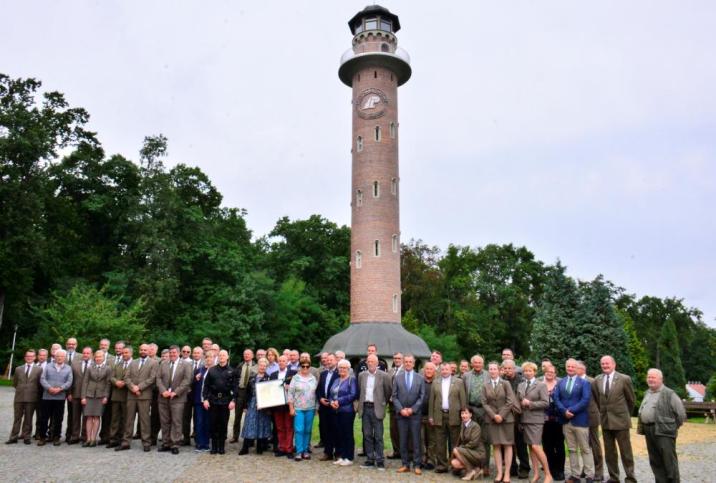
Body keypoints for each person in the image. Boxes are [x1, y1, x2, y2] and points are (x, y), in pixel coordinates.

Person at [637, 368, 686, 483]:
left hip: (664, 432)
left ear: (660, 379)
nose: (650, 379)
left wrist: (671, 426)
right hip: (649, 430)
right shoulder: (647, 392)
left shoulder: (669, 393)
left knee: (669, 461)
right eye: (649, 377)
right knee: (655, 460)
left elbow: (681, 414)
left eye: (653, 377)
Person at [593, 355, 636, 483]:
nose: (605, 366)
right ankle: (613, 477)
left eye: (607, 363)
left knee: (626, 452)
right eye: (603, 364)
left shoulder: (624, 379)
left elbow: (631, 400)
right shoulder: (597, 380)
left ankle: (630, 478)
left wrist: (624, 415)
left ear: (614, 364)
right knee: (610, 452)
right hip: (605, 421)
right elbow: (597, 399)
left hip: (621, 421)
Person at [554, 359, 594, 483]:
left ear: (577, 368)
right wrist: (564, 411)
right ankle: (575, 475)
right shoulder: (561, 382)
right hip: (566, 421)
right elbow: (556, 398)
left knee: (585, 449)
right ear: (565, 367)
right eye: (568, 366)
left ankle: (589, 475)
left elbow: (585, 399)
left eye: (572, 366)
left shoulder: (584, 383)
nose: (570, 368)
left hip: (580, 420)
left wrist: (571, 410)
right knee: (571, 449)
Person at [117, 343, 158, 452]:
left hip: (144, 395)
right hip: (131, 395)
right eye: (141, 350)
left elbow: (152, 378)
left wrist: (139, 387)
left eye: (145, 350)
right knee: (128, 419)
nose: (143, 351)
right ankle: (126, 442)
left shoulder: (154, 363)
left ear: (149, 351)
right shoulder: (133, 362)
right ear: (139, 351)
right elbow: (127, 377)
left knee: (145, 420)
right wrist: (133, 388)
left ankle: (146, 443)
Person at [516, 362, 552, 483]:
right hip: (524, 420)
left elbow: (546, 403)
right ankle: (536, 474)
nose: (527, 373)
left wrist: (530, 404)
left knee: (536, 446)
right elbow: (518, 401)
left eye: (530, 371)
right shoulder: (520, 385)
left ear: (535, 372)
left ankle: (548, 474)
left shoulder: (541, 385)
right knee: (530, 447)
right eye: (525, 371)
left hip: (536, 420)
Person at [429, 362, 467, 473]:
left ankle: (455, 465)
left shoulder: (459, 382)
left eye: (447, 369)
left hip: (454, 415)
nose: (445, 371)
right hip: (439, 415)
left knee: (454, 442)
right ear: (440, 370)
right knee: (440, 442)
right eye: (443, 369)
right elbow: (432, 400)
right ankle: (442, 465)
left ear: (451, 370)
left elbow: (463, 400)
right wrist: (431, 416)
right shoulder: (435, 382)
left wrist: (464, 415)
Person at [481, 361, 516, 483]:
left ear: (499, 370)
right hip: (492, 420)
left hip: (506, 419)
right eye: (490, 369)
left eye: (494, 369)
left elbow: (510, 401)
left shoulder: (505, 383)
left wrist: (501, 415)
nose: (492, 371)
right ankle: (499, 473)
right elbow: (484, 403)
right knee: (496, 445)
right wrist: (493, 415)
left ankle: (507, 474)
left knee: (507, 445)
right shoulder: (485, 385)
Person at [357, 354, 392, 469]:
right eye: (368, 361)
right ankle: (370, 459)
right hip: (365, 408)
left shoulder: (384, 376)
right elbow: (360, 391)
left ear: (377, 363)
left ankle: (380, 459)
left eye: (373, 361)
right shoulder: (362, 375)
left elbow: (388, 392)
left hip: (377, 408)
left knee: (378, 436)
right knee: (367, 435)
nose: (370, 363)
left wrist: (382, 403)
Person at [393, 353, 425, 475]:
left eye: (410, 362)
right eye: (406, 361)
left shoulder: (419, 378)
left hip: (415, 415)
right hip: (401, 415)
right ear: (403, 362)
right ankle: (405, 464)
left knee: (416, 440)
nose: (408, 364)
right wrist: (401, 409)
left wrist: (412, 409)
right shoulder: (397, 377)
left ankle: (417, 464)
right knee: (403, 440)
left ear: (414, 363)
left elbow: (422, 397)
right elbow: (394, 396)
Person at [156, 345, 193, 454]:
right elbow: (158, 378)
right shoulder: (163, 364)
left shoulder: (186, 365)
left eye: (174, 353)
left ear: (179, 353)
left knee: (176, 421)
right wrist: (163, 391)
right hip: (163, 397)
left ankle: (175, 444)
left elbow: (187, 381)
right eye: (171, 353)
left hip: (178, 398)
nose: (172, 355)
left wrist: (175, 392)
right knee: (165, 421)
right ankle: (166, 443)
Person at [203, 349, 236, 455]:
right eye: (220, 355)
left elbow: (235, 387)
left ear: (227, 357)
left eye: (224, 355)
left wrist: (233, 400)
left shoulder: (232, 371)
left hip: (226, 401)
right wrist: (205, 399)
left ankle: (221, 446)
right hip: (213, 400)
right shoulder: (212, 370)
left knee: (223, 424)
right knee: (213, 424)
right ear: (218, 357)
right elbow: (206, 386)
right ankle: (214, 446)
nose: (222, 357)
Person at [7, 349, 42, 445]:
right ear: (25, 357)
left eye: (31, 356)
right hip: (19, 397)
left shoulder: (39, 369)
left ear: (35, 358)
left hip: (31, 398)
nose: (29, 358)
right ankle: (13, 437)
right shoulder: (18, 369)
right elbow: (15, 383)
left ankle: (27, 437)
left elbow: (40, 384)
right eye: (27, 356)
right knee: (17, 418)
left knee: (28, 418)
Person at [38, 349, 73, 446]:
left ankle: (56, 437)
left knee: (58, 418)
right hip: (47, 396)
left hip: (60, 397)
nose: (59, 358)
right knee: (44, 418)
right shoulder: (48, 367)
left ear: (65, 358)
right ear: (55, 357)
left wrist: (60, 389)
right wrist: (49, 388)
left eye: (62, 356)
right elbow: (42, 379)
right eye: (58, 356)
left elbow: (69, 381)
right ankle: (42, 437)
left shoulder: (68, 368)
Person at [463, 354, 491, 476]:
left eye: (480, 362)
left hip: (485, 410)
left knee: (485, 439)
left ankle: (485, 466)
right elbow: (464, 393)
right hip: (471, 410)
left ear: (483, 364)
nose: (478, 364)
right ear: (472, 364)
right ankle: (474, 465)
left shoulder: (488, 375)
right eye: (475, 362)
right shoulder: (466, 376)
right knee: (472, 438)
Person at [577, 360, 604, 481]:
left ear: (583, 369)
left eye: (576, 368)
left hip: (591, 416)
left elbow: (599, 399)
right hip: (578, 417)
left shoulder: (592, 381)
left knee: (594, 444)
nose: (573, 369)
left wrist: (596, 412)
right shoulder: (574, 381)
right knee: (583, 445)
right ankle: (586, 468)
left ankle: (599, 471)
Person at [503, 359, 530, 479]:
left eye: (510, 368)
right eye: (506, 368)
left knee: (520, 444)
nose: (508, 370)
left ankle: (524, 468)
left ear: (514, 368)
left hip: (519, 415)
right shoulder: (501, 380)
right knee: (508, 443)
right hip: (506, 416)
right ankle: (512, 467)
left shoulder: (522, 380)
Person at [288, 355, 318, 461]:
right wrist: (291, 408)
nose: (305, 368)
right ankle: (299, 451)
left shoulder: (313, 378)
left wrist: (317, 407)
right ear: (300, 366)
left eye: (307, 366)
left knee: (308, 430)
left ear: (309, 367)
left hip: (310, 407)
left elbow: (316, 393)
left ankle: (305, 450)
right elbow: (290, 393)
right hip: (298, 408)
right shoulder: (295, 378)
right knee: (299, 429)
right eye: (303, 366)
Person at [239, 357, 272, 455]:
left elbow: (270, 394)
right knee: (249, 424)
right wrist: (245, 406)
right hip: (252, 403)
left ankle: (260, 448)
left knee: (261, 425)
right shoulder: (252, 377)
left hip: (263, 404)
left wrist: (265, 404)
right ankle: (245, 448)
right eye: (261, 365)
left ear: (267, 367)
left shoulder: (269, 378)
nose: (262, 367)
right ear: (258, 366)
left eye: (264, 365)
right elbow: (247, 392)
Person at [330, 359, 358, 466]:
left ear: (348, 369)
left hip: (347, 411)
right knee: (339, 434)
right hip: (335, 410)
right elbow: (331, 394)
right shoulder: (336, 380)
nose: (342, 369)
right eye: (340, 367)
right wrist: (332, 402)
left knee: (347, 434)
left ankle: (349, 457)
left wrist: (339, 401)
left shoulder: (352, 380)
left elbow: (353, 394)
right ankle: (342, 456)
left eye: (344, 368)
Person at [80, 350, 111, 446]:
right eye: (97, 357)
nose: (98, 358)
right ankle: (88, 439)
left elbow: (108, 384)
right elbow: (85, 382)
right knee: (89, 417)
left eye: (100, 357)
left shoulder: (108, 368)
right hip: (89, 395)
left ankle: (94, 439)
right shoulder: (89, 368)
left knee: (97, 417)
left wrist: (106, 396)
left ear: (103, 357)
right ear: (94, 357)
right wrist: (83, 396)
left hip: (100, 396)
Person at [542, 363, 566, 481]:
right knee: (547, 446)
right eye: (547, 372)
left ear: (555, 374)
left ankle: (560, 470)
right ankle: (551, 470)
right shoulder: (540, 385)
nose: (549, 374)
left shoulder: (560, 384)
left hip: (558, 420)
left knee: (559, 445)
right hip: (544, 420)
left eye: (552, 372)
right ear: (544, 373)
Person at [270, 354, 297, 457]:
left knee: (289, 427)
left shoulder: (293, 374)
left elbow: (297, 388)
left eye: (283, 361)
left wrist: (289, 387)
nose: (281, 362)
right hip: (277, 405)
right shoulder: (273, 374)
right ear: (278, 362)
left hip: (288, 404)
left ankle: (289, 449)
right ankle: (281, 448)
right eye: (280, 361)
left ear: (287, 362)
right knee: (279, 427)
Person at [451, 407, 486, 481]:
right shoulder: (463, 425)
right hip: (469, 452)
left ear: (470, 415)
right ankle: (477, 469)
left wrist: (461, 449)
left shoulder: (475, 426)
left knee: (456, 450)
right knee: (454, 463)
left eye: (466, 413)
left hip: (478, 453)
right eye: (462, 413)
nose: (464, 415)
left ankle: (470, 471)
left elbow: (473, 443)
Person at [107, 346, 132, 448]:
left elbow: (134, 378)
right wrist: (116, 382)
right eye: (123, 353)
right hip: (116, 395)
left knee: (126, 419)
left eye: (126, 353)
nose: (124, 354)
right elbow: (111, 377)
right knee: (115, 418)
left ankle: (124, 439)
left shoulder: (134, 364)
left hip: (127, 395)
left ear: (131, 354)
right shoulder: (118, 364)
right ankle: (113, 439)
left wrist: (125, 383)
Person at [68, 346, 92, 444]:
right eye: (84, 353)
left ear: (91, 354)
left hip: (88, 395)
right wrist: (69, 393)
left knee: (86, 417)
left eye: (88, 353)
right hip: (75, 394)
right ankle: (75, 436)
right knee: (75, 416)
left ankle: (84, 436)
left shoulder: (94, 365)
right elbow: (70, 379)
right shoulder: (74, 364)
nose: (85, 355)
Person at [317, 352, 339, 461]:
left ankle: (338, 452)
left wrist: (332, 401)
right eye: (328, 360)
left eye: (331, 360)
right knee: (325, 430)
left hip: (334, 406)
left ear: (336, 361)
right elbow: (319, 389)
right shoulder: (323, 374)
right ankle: (328, 452)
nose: (329, 362)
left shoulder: (339, 373)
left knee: (336, 430)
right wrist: (320, 398)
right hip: (324, 406)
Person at [231, 348, 255, 443]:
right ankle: (235, 436)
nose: (246, 356)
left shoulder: (256, 366)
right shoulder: (240, 365)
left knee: (250, 417)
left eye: (248, 354)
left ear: (252, 356)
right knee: (237, 416)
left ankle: (250, 438)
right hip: (240, 392)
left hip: (250, 393)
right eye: (245, 354)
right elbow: (235, 379)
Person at [182, 346, 204, 446]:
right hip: (187, 395)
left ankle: (197, 437)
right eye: (194, 353)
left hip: (199, 395)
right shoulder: (186, 364)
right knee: (185, 417)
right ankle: (186, 438)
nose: (196, 354)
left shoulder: (205, 365)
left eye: (198, 353)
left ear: (202, 354)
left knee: (197, 418)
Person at [192, 352, 213, 452]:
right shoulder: (199, 370)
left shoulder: (215, 370)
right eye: (207, 357)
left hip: (209, 401)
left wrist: (208, 399)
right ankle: (199, 443)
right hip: (198, 400)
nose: (209, 359)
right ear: (204, 358)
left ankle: (206, 443)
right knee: (199, 422)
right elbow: (192, 384)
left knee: (207, 422)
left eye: (211, 357)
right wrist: (195, 379)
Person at [420, 361, 437, 470]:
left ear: (434, 371)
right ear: (424, 370)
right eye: (427, 369)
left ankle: (431, 460)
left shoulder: (437, 383)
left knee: (432, 439)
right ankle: (422, 459)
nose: (429, 371)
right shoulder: (419, 382)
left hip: (432, 416)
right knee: (420, 438)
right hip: (420, 415)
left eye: (431, 369)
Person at [387, 352, 404, 460]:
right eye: (395, 358)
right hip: (392, 404)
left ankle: (404, 452)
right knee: (393, 429)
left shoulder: (405, 371)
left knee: (402, 428)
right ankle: (396, 451)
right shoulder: (391, 371)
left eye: (399, 358)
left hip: (402, 404)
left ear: (402, 359)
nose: (397, 360)